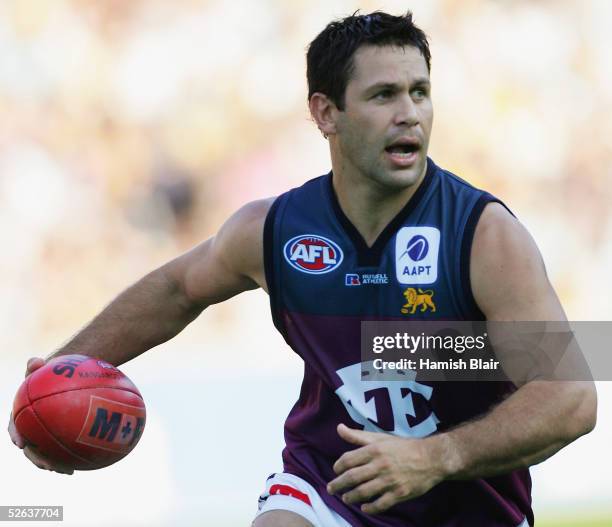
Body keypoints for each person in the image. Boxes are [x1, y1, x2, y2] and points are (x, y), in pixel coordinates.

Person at [8, 11, 596, 527]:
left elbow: (571, 397)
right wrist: (61, 369)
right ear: (325, 113)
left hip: (470, 509)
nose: (409, 114)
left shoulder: (483, 235)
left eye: (420, 92)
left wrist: (434, 458)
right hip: (327, 487)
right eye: (384, 94)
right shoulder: (276, 228)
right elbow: (175, 289)